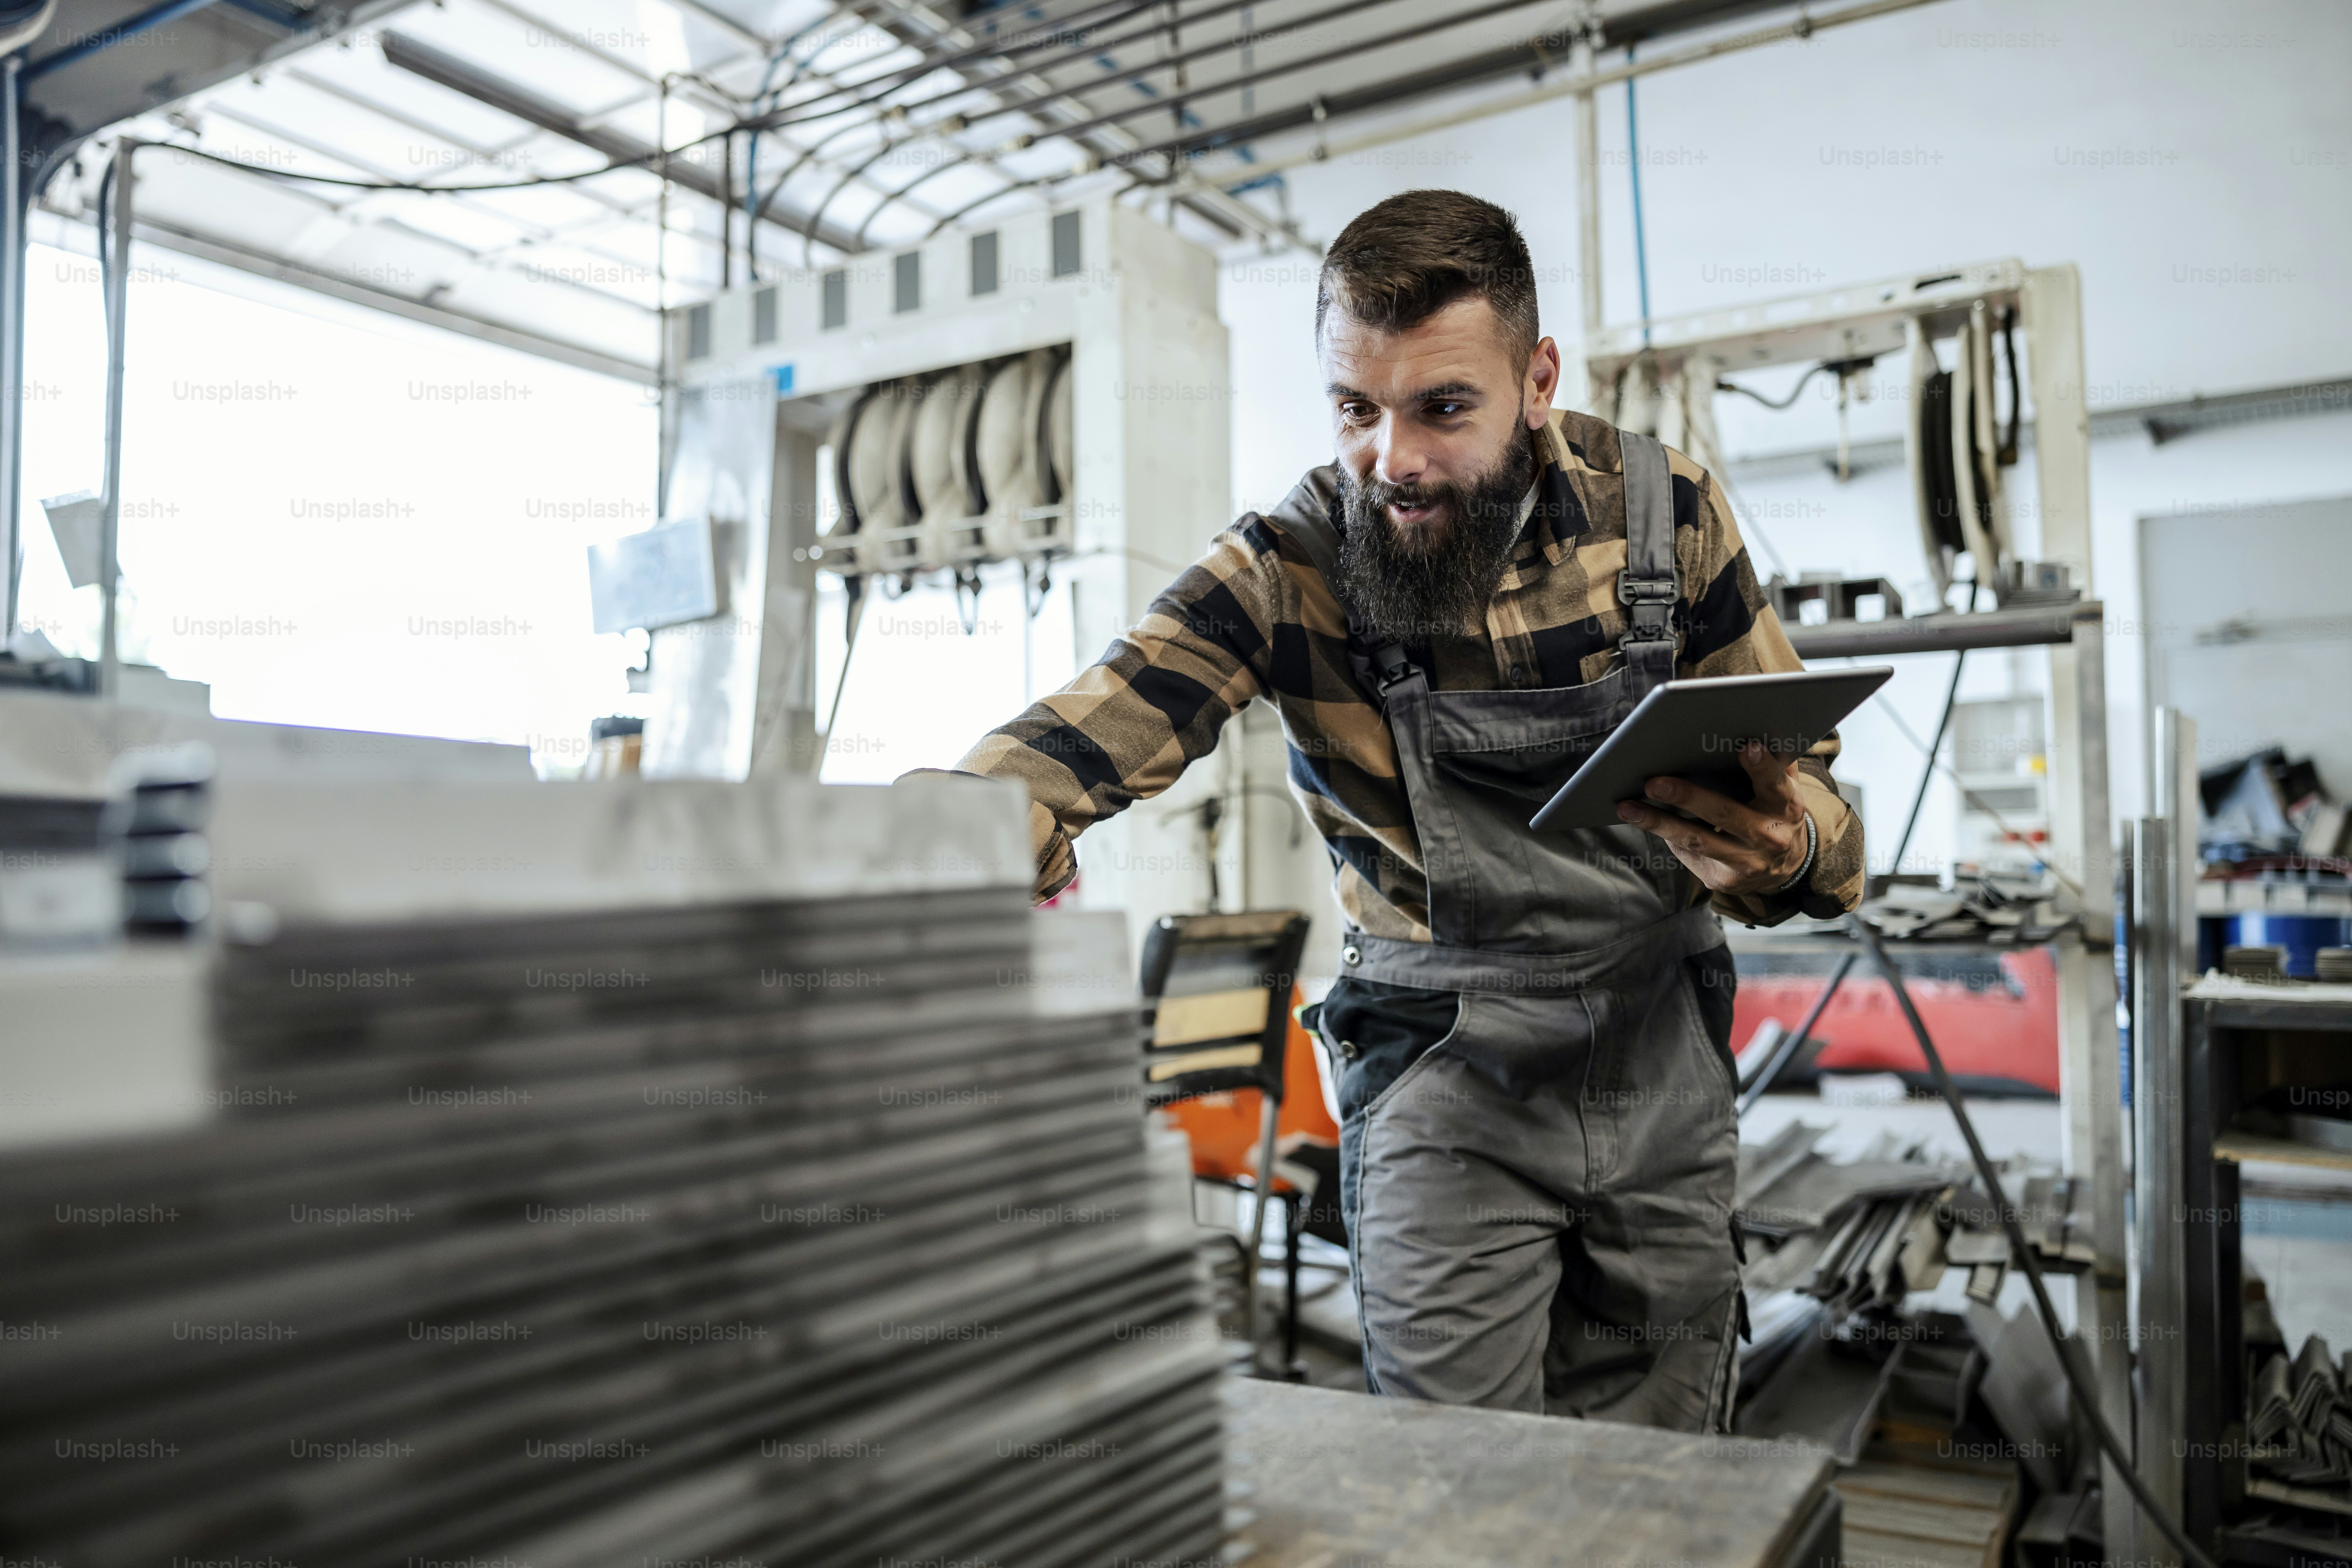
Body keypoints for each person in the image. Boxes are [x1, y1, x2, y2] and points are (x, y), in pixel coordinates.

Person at [947, 190, 1864, 1430]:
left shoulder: (1668, 518)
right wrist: (938, 835)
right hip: (1442, 1075)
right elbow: (1092, 726)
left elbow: (1820, 813)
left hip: (1658, 1059)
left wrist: (1790, 847)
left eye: (1442, 408)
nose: (1394, 459)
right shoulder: (1291, 566)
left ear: (1537, 381)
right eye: (1355, 411)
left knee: (1663, 1477)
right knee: (1452, 1474)